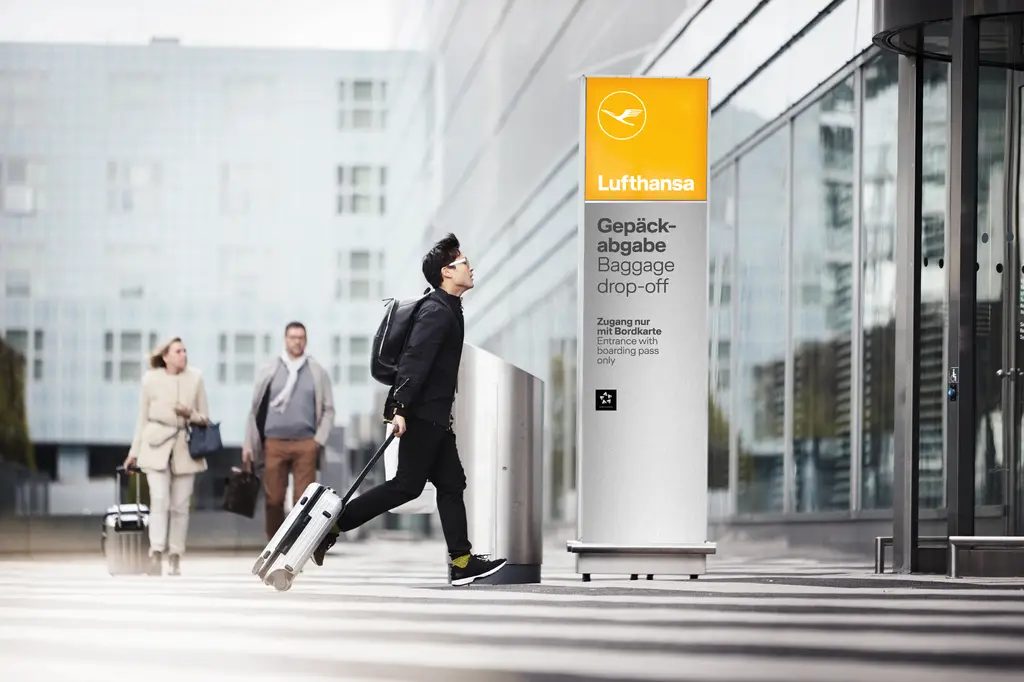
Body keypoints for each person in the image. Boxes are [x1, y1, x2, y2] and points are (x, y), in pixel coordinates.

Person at [314, 233, 506, 586]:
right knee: (406, 487)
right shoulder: (436, 312)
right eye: (464, 261)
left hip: (434, 416)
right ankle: (334, 524)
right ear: (447, 272)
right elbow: (414, 362)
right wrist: (399, 408)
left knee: (450, 484)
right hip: (422, 415)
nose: (470, 266)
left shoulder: (449, 308)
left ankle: (462, 562)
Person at [123, 337, 211, 576]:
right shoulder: (150, 379)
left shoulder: (196, 377)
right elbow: (141, 418)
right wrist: (133, 453)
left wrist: (189, 413)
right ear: (166, 356)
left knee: (180, 505)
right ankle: (156, 551)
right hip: (155, 445)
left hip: (186, 447)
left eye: (185, 350)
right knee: (159, 499)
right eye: (178, 351)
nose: (184, 354)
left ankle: (175, 555)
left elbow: (206, 418)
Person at [242, 322, 335, 539]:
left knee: (303, 501)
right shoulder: (270, 370)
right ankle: (273, 544)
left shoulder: (317, 372)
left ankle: (297, 546)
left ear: (306, 340)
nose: (297, 341)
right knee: (273, 499)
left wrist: (318, 441)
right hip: (274, 442)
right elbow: (254, 409)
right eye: (293, 337)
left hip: (306, 443)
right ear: (285, 339)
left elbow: (329, 409)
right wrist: (249, 444)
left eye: (301, 337)